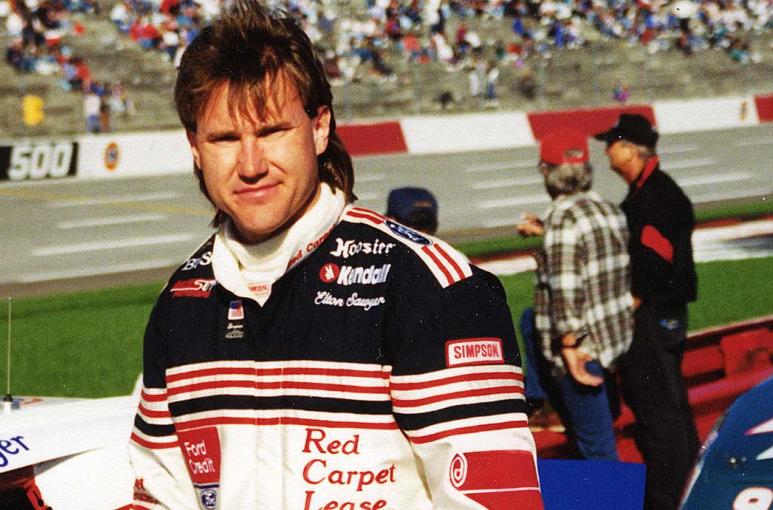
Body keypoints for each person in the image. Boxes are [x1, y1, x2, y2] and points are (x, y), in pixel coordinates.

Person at [127, 1, 544, 508]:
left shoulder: (436, 288)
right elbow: (159, 495)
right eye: (225, 138)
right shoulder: (181, 303)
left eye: (272, 131)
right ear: (194, 147)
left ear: (319, 127)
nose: (251, 164)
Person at [595, 113, 700, 510]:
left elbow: (654, 262)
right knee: (671, 409)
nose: (606, 151)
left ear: (629, 149)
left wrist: (631, 304)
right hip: (666, 316)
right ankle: (687, 491)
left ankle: (668, 501)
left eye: (611, 142)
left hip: (652, 319)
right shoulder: (652, 191)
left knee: (658, 414)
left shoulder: (653, 196)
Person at [517, 131, 633, 460]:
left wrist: (570, 346)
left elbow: (566, 290)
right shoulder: (610, 209)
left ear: (546, 172)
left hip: (581, 352)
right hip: (612, 342)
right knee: (598, 438)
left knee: (596, 449)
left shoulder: (562, 219)